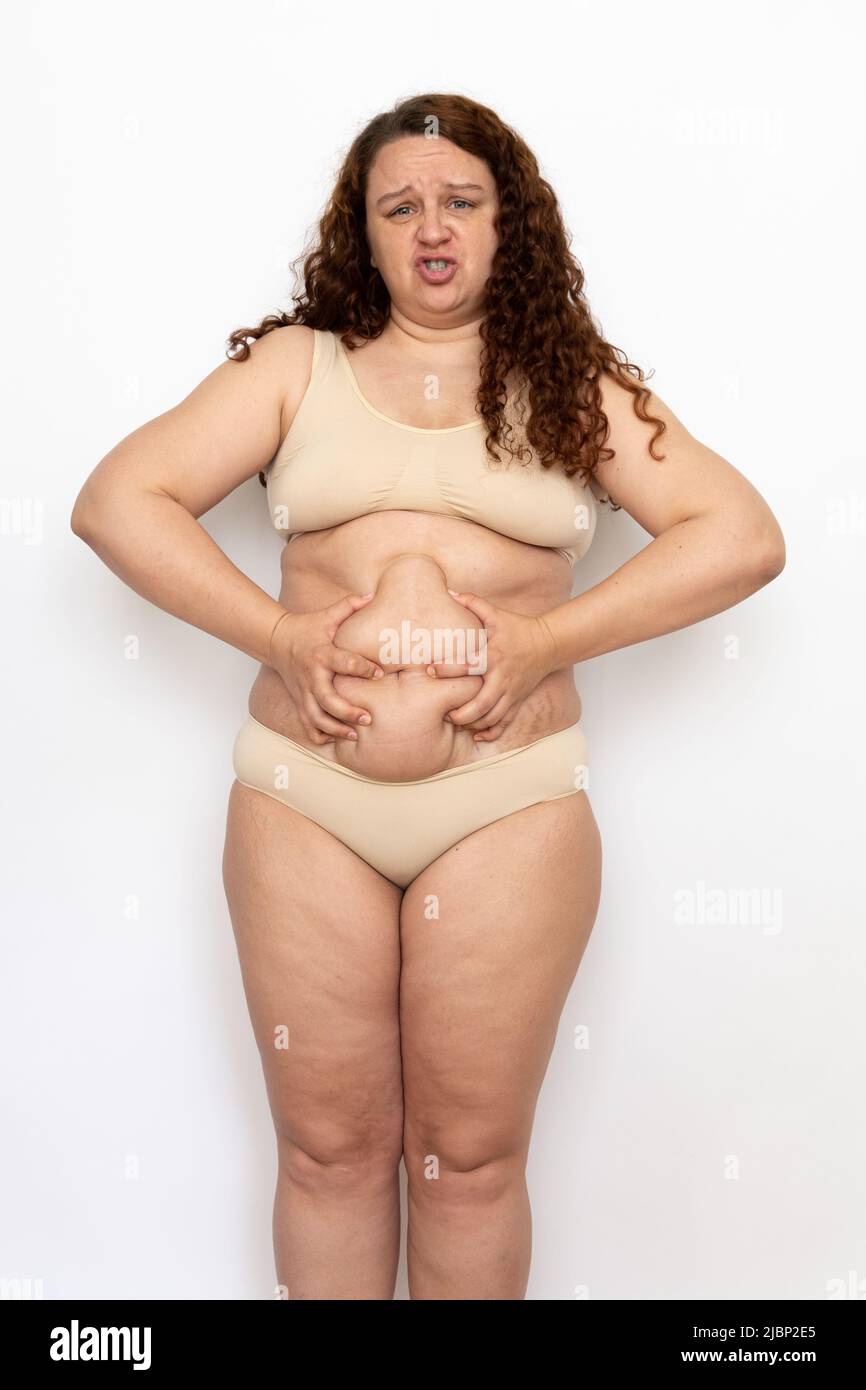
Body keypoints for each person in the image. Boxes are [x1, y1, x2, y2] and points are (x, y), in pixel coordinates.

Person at [70, 92, 786, 1300]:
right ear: (364, 232)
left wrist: (544, 639)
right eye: (399, 205)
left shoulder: (566, 384)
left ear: (510, 225)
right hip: (307, 800)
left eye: (460, 200)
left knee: (466, 1160)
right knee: (327, 1150)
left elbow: (742, 537)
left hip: (504, 804)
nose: (432, 226)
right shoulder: (295, 369)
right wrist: (280, 634)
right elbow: (116, 501)